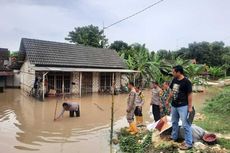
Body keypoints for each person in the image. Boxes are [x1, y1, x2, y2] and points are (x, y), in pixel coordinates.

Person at [166, 65, 193, 150]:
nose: (172, 73)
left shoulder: (187, 82)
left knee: (185, 124)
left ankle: (189, 143)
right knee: (174, 122)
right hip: (174, 105)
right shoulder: (174, 80)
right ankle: (174, 137)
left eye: (173, 72)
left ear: (178, 72)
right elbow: (172, 92)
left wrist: (190, 107)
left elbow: (190, 95)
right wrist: (168, 100)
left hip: (183, 106)